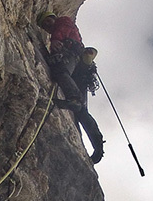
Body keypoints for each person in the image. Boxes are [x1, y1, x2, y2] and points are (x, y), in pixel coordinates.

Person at [37, 12, 104, 163]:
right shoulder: (64, 28)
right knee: (81, 111)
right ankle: (97, 146)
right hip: (80, 70)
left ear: (53, 17)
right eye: (44, 26)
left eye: (47, 21)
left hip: (72, 57)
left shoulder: (63, 21)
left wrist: (54, 40)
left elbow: (62, 28)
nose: (47, 25)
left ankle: (73, 98)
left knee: (60, 71)